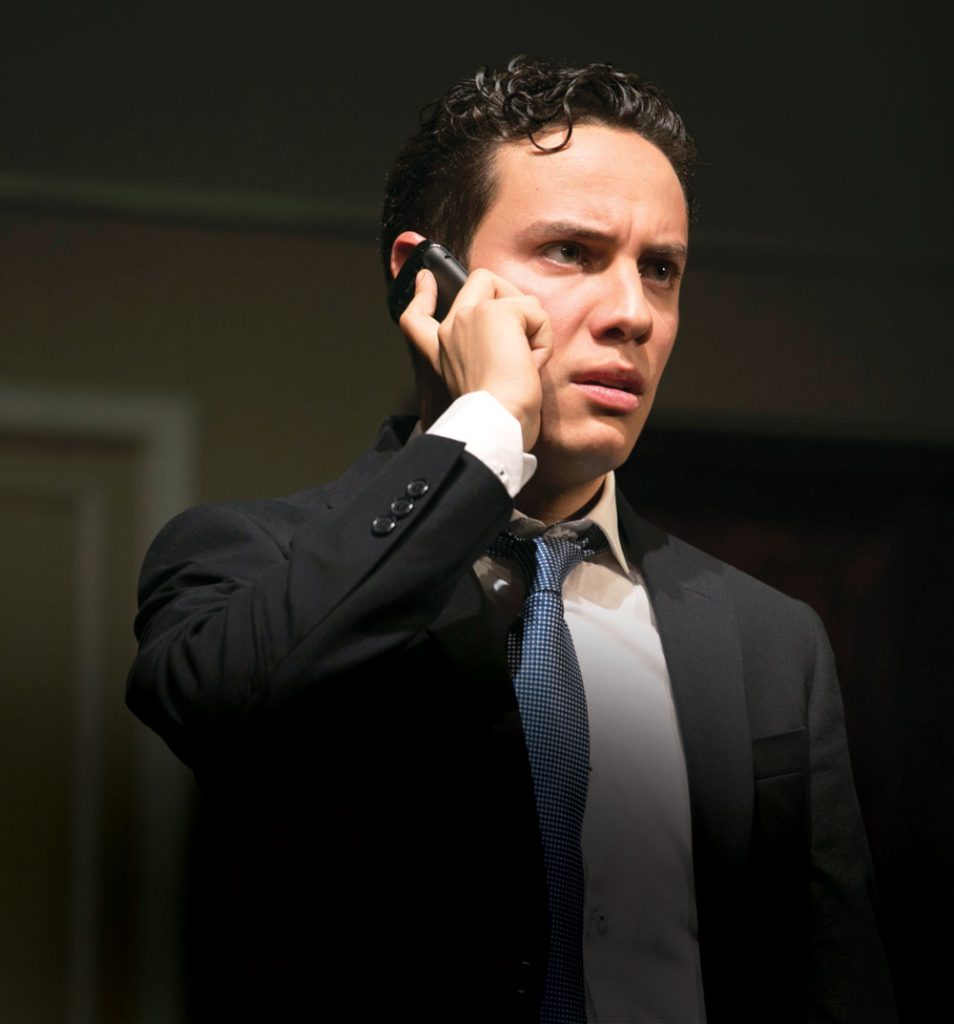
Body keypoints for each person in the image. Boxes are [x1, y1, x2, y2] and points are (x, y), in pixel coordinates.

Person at [127, 56, 896, 1023]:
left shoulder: (770, 639)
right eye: (572, 252)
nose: (633, 314)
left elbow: (837, 982)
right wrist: (489, 422)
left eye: (660, 270)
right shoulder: (245, 559)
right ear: (428, 280)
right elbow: (229, 708)